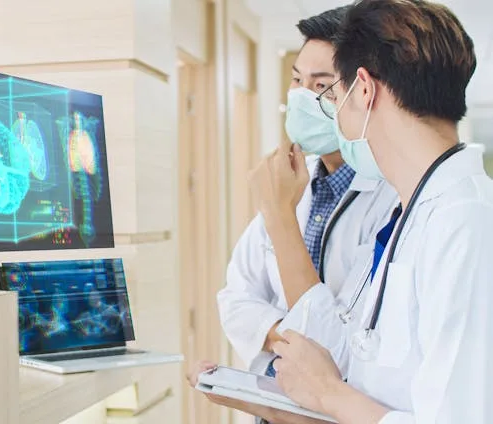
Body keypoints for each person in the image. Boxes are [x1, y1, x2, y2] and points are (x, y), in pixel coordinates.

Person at [224, 0, 492, 422]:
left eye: (332, 90)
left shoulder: (467, 222)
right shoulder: (412, 214)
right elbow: (349, 352)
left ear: (363, 89)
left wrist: (330, 395)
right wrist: (290, 404)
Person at [187, 6, 396, 423]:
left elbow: (346, 348)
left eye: (320, 85)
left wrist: (279, 213)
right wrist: (293, 337)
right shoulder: (293, 183)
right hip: (273, 404)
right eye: (297, 81)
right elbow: (235, 298)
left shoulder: (391, 197)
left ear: (364, 92)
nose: (301, 97)